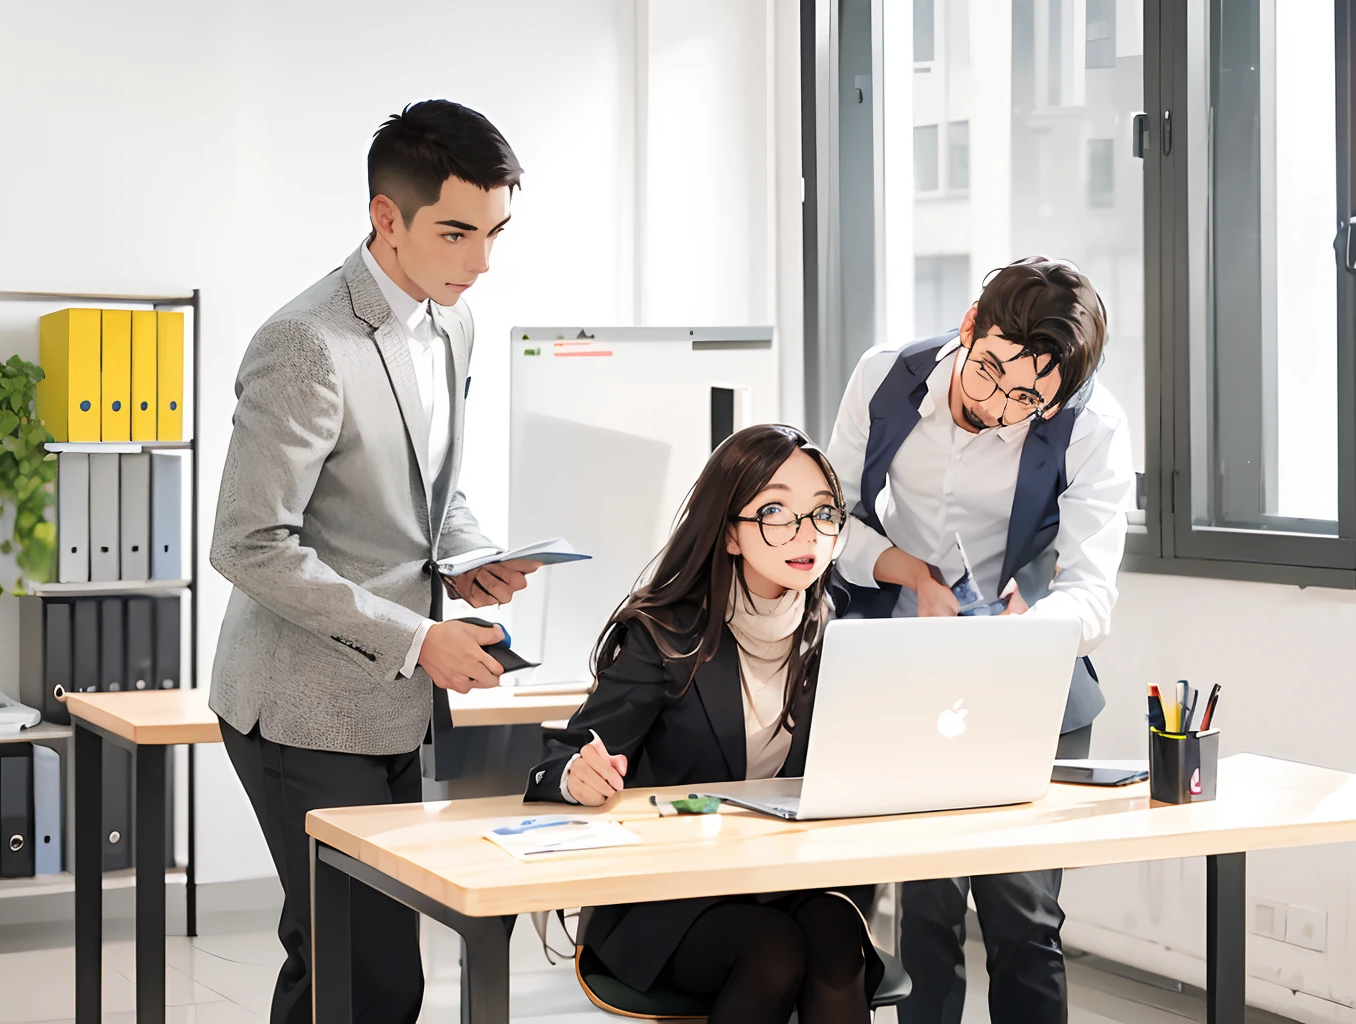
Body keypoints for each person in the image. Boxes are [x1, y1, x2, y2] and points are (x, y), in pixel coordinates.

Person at [208, 99, 541, 1024]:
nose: (481, 261)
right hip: (302, 705)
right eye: (457, 232)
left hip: (400, 698)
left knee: (345, 961)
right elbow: (247, 541)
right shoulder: (306, 342)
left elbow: (425, 489)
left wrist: (471, 556)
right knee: (369, 972)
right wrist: (416, 635)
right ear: (384, 218)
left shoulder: (453, 322)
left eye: (496, 233)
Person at [824, 256, 1135, 1023]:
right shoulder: (884, 377)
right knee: (925, 914)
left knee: (1025, 919)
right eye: (990, 369)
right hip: (908, 663)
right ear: (969, 325)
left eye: (1027, 396)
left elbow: (1094, 588)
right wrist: (910, 572)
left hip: (1027, 675)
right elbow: (828, 521)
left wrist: (1019, 634)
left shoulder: (1092, 425)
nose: (996, 405)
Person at [526, 424, 884, 1024]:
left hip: (787, 881)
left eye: (823, 513)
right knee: (772, 949)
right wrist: (577, 776)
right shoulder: (664, 635)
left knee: (835, 933)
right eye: (775, 511)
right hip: (670, 898)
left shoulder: (836, 633)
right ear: (730, 534)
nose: (806, 534)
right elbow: (556, 762)